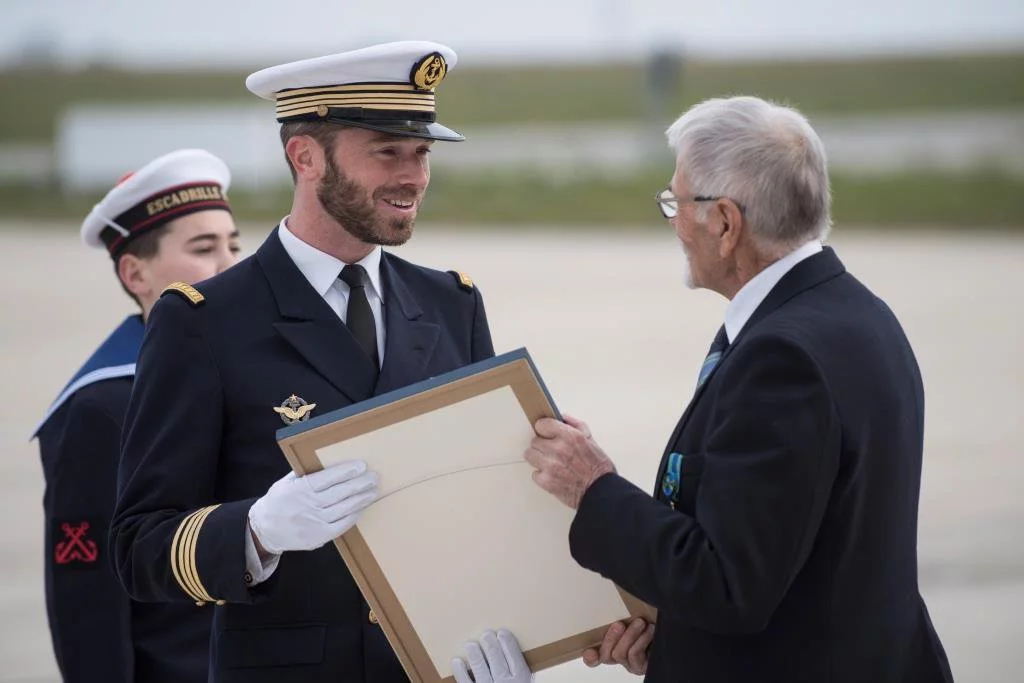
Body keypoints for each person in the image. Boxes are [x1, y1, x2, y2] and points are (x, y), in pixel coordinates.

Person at [111, 41, 525, 682]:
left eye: (421, 153)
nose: (413, 176)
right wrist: (255, 531)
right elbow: (139, 546)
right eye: (387, 151)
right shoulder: (204, 321)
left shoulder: (451, 305)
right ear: (305, 156)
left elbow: (485, 507)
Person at [524, 96, 954, 682]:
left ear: (725, 222)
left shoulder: (781, 359)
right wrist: (673, 638)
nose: (675, 223)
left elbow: (729, 585)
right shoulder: (856, 313)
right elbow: (794, 561)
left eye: (676, 202)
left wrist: (593, 489)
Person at [32, 149, 240, 682]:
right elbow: (87, 610)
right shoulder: (101, 410)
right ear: (135, 272)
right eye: (203, 247)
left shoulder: (242, 371)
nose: (228, 264)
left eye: (233, 244)